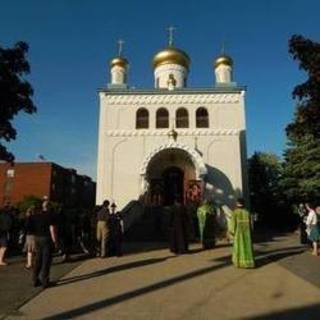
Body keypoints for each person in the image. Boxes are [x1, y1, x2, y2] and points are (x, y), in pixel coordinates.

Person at [26, 202, 57, 287]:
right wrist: (55, 241)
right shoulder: (50, 216)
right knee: (46, 260)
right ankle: (45, 281)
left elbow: (29, 227)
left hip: (37, 238)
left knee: (38, 259)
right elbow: (52, 229)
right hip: (46, 238)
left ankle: (35, 279)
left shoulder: (35, 216)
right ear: (49, 207)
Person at [229, 198, 255, 268]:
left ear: (237, 203)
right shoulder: (247, 212)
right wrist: (251, 232)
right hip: (247, 234)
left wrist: (231, 232)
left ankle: (240, 263)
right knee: (247, 247)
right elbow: (251, 224)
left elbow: (232, 224)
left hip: (238, 234)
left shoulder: (235, 212)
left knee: (239, 247)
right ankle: (248, 263)